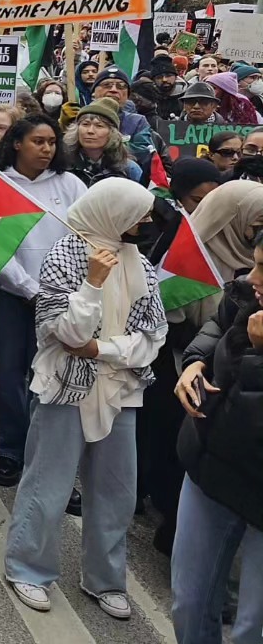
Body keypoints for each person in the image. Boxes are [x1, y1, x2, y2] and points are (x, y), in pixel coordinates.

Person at [4, 178, 166, 619]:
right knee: (48, 484)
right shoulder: (65, 255)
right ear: (113, 213)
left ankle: (105, 580)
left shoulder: (141, 264)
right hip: (66, 387)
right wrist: (93, 282)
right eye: (139, 215)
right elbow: (65, 333)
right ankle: (28, 569)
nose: (145, 223)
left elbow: (153, 337)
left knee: (117, 493)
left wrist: (104, 350)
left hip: (122, 390)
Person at [170, 230, 263, 644]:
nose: (252, 277)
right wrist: (195, 361)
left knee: (251, 628)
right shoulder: (248, 293)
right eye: (255, 262)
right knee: (189, 603)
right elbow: (218, 325)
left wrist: (258, 353)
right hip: (211, 465)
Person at [0, 116, 89, 487]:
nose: (47, 149)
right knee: (11, 371)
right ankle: (12, 450)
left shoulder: (70, 184)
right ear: (17, 143)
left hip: (62, 297)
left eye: (51, 142)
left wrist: (64, 289)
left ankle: (50, 459)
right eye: (38, 141)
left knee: (54, 376)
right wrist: (28, 288)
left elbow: (86, 236)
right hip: (12, 295)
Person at [63, 99, 143, 185]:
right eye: (85, 124)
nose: (90, 131)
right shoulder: (64, 164)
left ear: (112, 132)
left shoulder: (128, 169)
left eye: (99, 126)